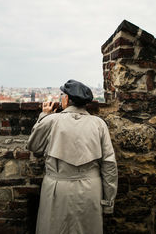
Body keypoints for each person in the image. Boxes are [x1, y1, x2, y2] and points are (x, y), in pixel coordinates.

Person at [27, 79, 118, 234]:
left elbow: (34, 145)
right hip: (90, 189)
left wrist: (44, 116)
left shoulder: (51, 121)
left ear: (66, 99)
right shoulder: (99, 124)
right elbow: (109, 165)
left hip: (57, 188)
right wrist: (108, 202)